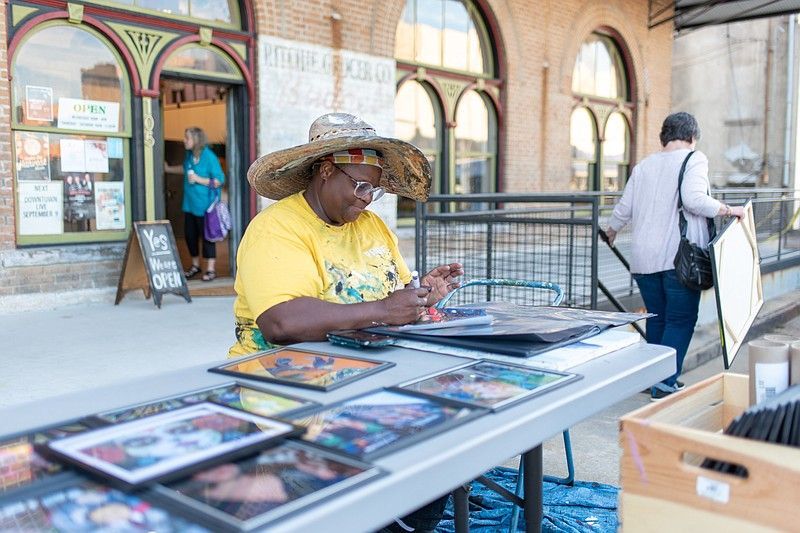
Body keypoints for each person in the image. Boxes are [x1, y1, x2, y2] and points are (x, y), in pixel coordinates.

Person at [229, 112, 463, 532]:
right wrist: (381, 311)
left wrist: (420, 296)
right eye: (359, 184)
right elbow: (280, 323)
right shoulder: (276, 229)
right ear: (324, 170)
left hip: (367, 379)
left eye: (374, 188)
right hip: (284, 390)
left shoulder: (373, 227)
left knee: (447, 436)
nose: (367, 198)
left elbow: (392, 295)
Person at [605, 112, 744, 401]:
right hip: (678, 258)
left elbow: (624, 208)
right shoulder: (694, 158)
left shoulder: (643, 166)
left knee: (658, 320)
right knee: (680, 320)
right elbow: (694, 199)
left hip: (643, 259)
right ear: (692, 137)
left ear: (663, 137)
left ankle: (657, 378)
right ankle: (665, 384)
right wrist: (730, 210)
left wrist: (611, 230)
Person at [164, 127, 225, 281]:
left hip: (206, 206)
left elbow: (219, 180)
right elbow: (185, 170)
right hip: (190, 205)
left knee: (207, 237)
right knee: (190, 236)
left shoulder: (208, 157)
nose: (184, 140)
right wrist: (169, 169)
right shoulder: (189, 156)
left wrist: (198, 179)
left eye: (187, 138)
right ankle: (195, 266)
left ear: (196, 140)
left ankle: (210, 269)